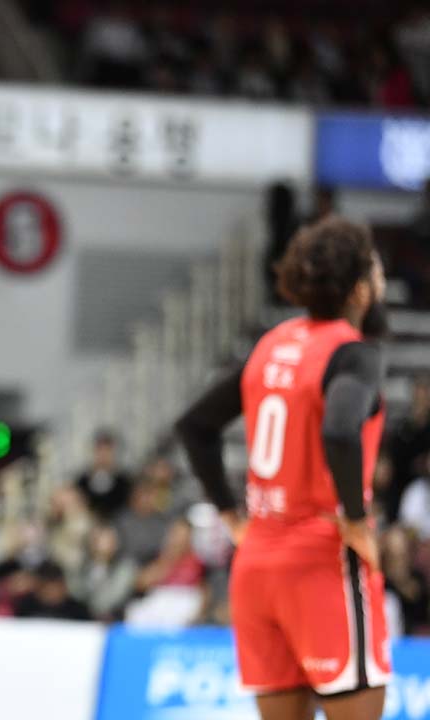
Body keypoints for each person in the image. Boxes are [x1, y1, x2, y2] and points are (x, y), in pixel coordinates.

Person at [176, 216, 391, 720]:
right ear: (361, 290)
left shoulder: (272, 343)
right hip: (320, 561)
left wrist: (231, 516)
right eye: (377, 271)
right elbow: (340, 430)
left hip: (256, 567)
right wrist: (356, 519)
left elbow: (194, 426)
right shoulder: (354, 354)